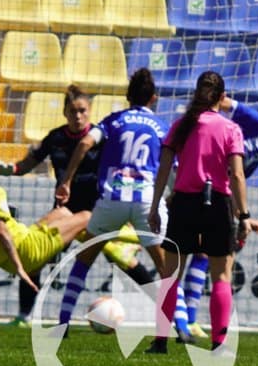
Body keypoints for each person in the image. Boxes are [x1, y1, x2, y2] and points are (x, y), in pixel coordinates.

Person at [0, 83, 151, 325]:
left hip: (99, 213)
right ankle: (24, 315)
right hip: (66, 213)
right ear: (65, 113)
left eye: (82, 110)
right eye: (73, 111)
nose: (78, 116)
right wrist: (10, 169)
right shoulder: (56, 138)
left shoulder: (101, 139)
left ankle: (171, 313)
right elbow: (27, 165)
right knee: (35, 256)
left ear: (89, 111)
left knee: (124, 260)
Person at [149, 71, 258, 353]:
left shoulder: (180, 126)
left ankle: (161, 340)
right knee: (221, 275)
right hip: (217, 203)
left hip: (184, 203)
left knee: (171, 274)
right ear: (222, 97)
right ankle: (219, 343)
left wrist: (154, 207)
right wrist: (244, 216)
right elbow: (237, 176)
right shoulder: (230, 129)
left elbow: (162, 169)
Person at [174, 97, 258, 340]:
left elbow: (231, 183)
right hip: (188, 178)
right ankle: (184, 319)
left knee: (203, 253)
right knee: (179, 256)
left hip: (208, 189)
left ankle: (189, 319)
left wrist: (245, 217)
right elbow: (223, 101)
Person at [52, 68, 171, 326]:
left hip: (112, 199)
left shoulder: (113, 121)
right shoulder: (162, 128)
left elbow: (84, 143)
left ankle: (63, 321)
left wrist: (66, 181)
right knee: (166, 268)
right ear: (153, 97)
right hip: (145, 201)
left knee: (84, 261)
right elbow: (172, 166)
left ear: (128, 96)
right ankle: (178, 326)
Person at [0, 140, 94, 295]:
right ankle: (112, 252)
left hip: (5, 259)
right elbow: (2, 233)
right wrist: (20, 268)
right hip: (25, 250)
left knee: (63, 213)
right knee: (87, 216)